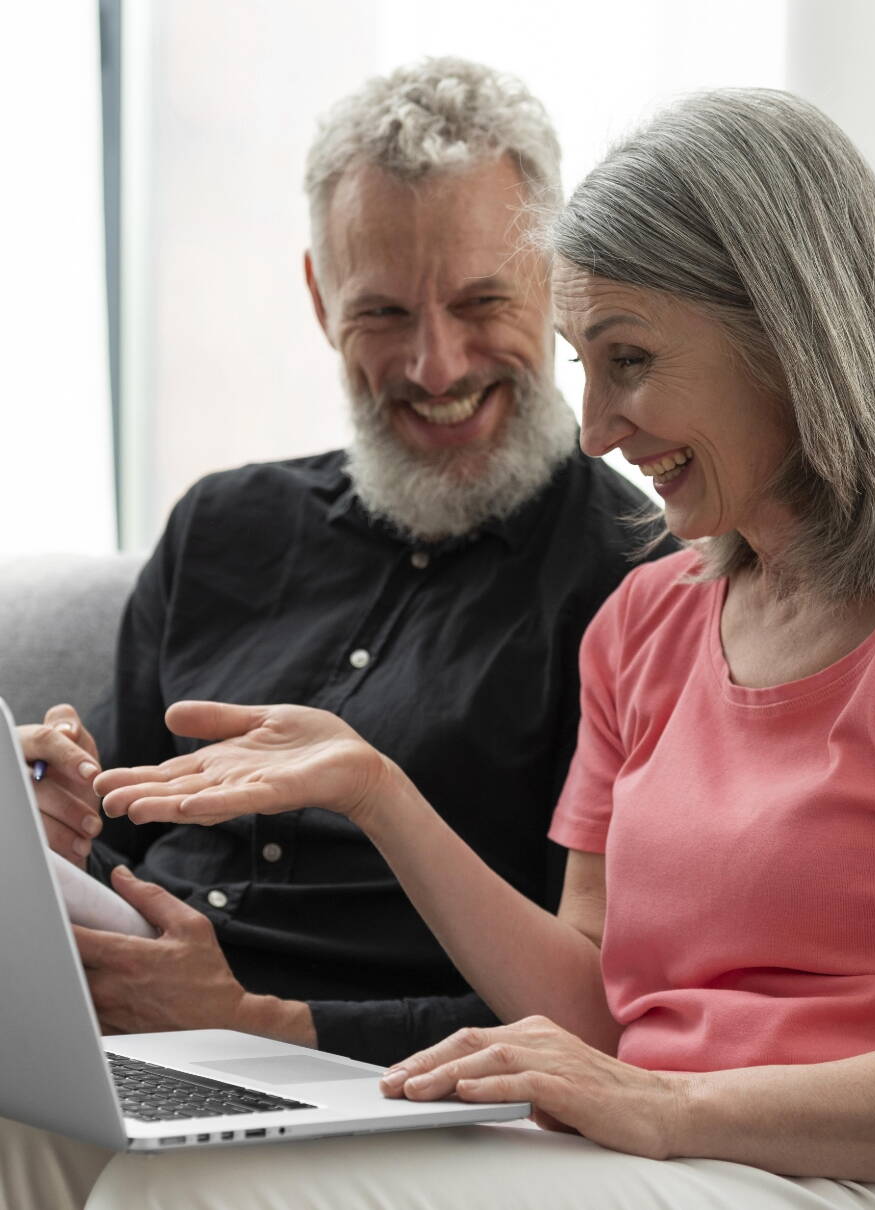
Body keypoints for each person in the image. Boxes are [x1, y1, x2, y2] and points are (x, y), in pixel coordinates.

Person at [81, 88, 875, 1210]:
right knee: (61, 1139)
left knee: (180, 1191)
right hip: (658, 1159)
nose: (596, 432)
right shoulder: (646, 621)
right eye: (586, 366)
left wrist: (674, 1108)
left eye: (628, 359)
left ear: (789, 336)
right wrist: (375, 788)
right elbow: (596, 1004)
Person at [0, 58, 675, 1210]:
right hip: (129, 1061)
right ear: (319, 298)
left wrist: (260, 1024)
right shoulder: (220, 524)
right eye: (381, 313)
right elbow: (122, 848)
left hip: (383, 1091)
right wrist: (51, 830)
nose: (435, 365)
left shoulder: (638, 580)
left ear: (557, 284)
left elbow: (603, 1004)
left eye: (479, 304)